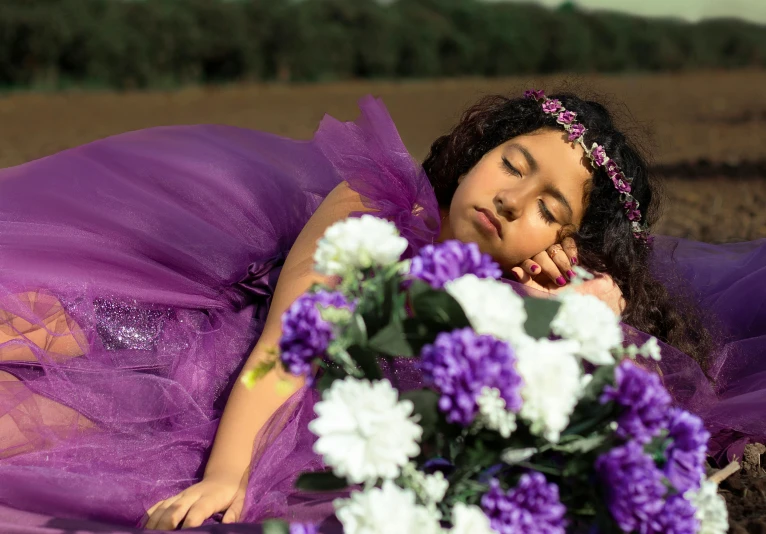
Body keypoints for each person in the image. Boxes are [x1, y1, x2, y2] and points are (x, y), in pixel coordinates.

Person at [0, 92, 761, 533]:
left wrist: (578, 301)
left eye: (547, 206)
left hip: (350, 423)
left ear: (564, 243)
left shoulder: (542, 294)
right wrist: (229, 473)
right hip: (216, 359)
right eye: (512, 165)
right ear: (479, 152)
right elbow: (285, 347)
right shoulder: (374, 201)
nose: (509, 199)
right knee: (40, 332)